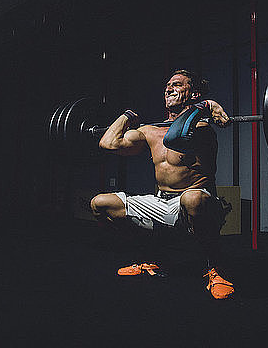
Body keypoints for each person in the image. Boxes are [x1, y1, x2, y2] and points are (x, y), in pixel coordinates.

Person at [90, 69, 235, 299]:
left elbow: (176, 136)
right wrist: (128, 115)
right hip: (161, 201)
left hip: (197, 202)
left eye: (177, 85)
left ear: (193, 93)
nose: (169, 88)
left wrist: (209, 105)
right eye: (168, 85)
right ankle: (150, 259)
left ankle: (214, 269)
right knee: (99, 203)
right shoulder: (150, 131)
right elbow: (108, 143)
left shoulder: (202, 128)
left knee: (192, 198)